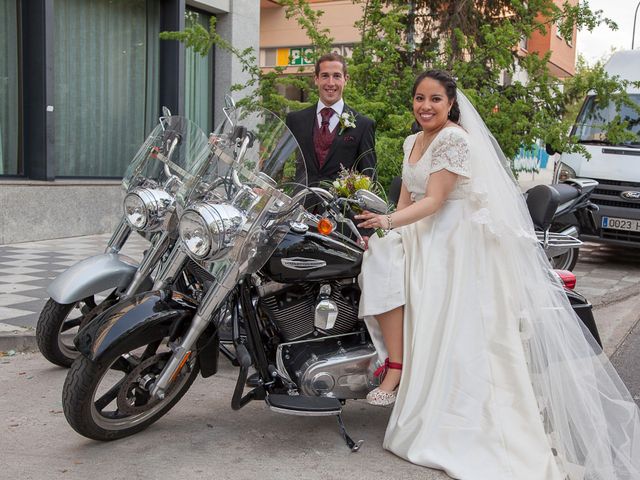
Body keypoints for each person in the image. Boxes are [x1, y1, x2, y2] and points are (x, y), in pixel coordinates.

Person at [355, 70, 640, 479]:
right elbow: (405, 197)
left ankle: (405, 376)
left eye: (435, 99)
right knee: (379, 257)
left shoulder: (454, 139)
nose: (426, 106)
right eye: (419, 98)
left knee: (454, 331)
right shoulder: (411, 141)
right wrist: (386, 226)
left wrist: (387, 221)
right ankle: (396, 363)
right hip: (423, 230)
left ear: (451, 103)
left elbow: (435, 201)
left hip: (453, 238)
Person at [286, 53, 376, 187]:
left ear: (346, 79)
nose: (330, 83)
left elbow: (369, 176)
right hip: (301, 203)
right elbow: (279, 160)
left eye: (337, 76)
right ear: (316, 79)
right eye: (325, 76)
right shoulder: (295, 120)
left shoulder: (363, 125)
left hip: (340, 206)